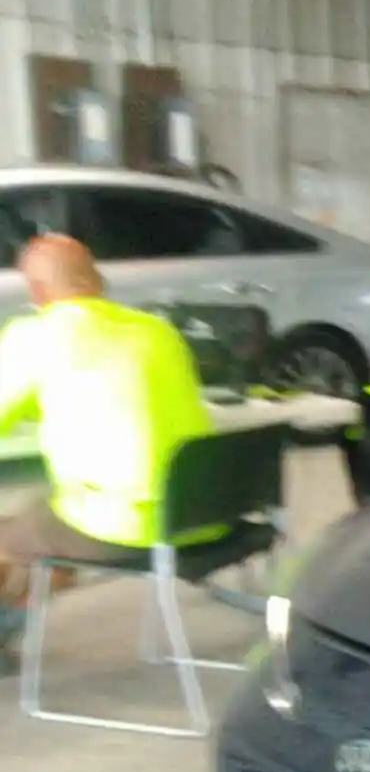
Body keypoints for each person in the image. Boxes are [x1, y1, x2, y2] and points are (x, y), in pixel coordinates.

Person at [0, 235, 215, 654]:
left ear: (37, 292)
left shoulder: (37, 335)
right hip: (206, 515)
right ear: (97, 279)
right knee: (49, 522)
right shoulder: (159, 330)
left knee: (16, 534)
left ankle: (5, 628)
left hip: (126, 528)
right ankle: (19, 611)